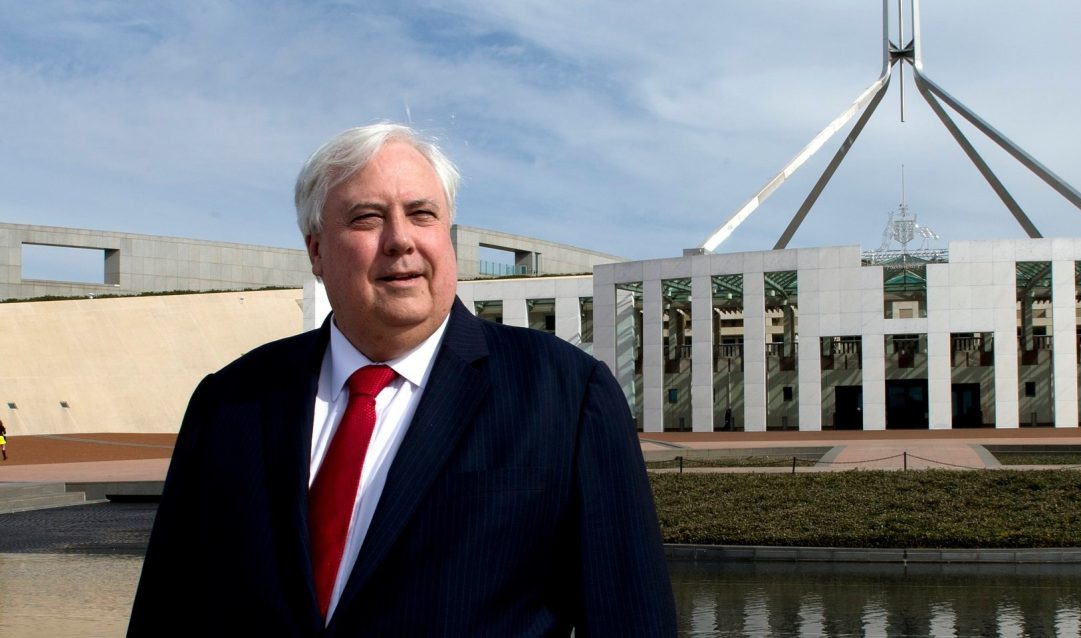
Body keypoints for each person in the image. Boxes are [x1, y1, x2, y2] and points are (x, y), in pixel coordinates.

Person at [128, 123, 677, 636]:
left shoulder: (566, 394)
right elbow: (168, 611)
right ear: (317, 251)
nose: (400, 240)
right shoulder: (230, 403)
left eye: (421, 214)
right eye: (367, 218)